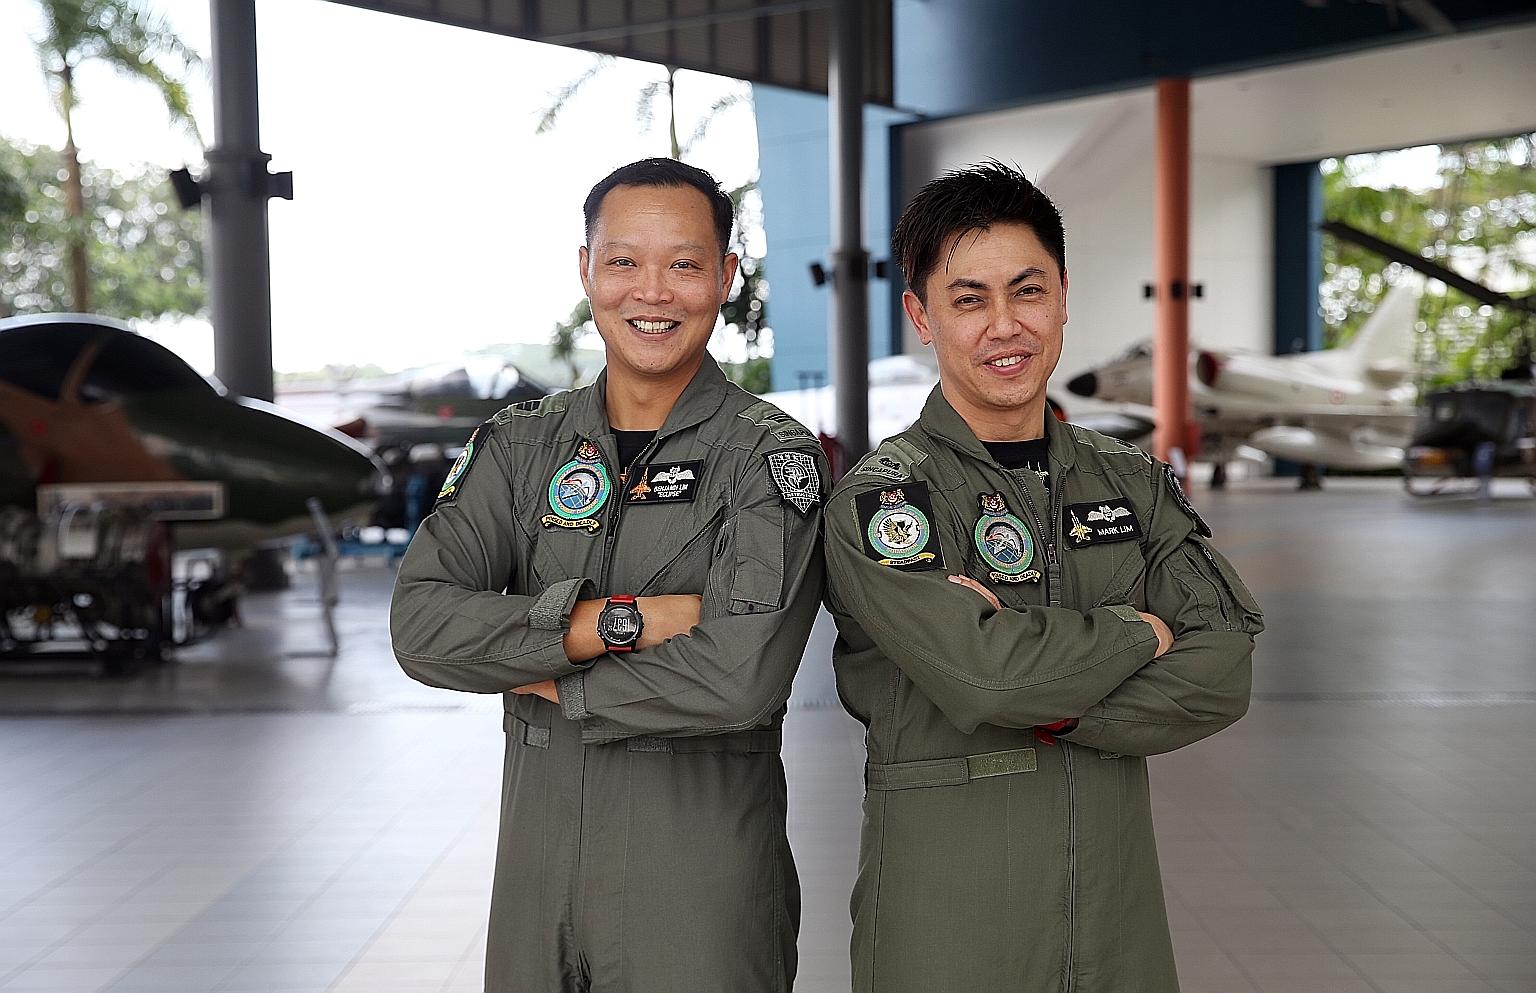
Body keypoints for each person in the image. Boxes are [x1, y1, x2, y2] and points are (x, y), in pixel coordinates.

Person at [823, 161, 1263, 993]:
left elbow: (1224, 668)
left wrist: (1048, 697)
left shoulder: (1130, 482)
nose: (1005, 325)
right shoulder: (886, 502)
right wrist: (1139, 631)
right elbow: (983, 678)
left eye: (1027, 291)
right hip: (949, 928)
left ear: (1062, 296)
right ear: (921, 316)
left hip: (1117, 924)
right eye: (968, 299)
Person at [391, 157, 827, 993]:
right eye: (624, 260)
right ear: (586, 269)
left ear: (726, 277)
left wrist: (542, 672)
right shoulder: (519, 447)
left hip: (698, 889)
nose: (651, 291)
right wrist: (614, 623)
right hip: (537, 883)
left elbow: (740, 677)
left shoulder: (768, 458)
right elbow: (421, 626)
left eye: (684, 264)